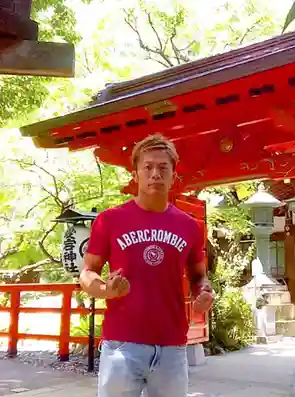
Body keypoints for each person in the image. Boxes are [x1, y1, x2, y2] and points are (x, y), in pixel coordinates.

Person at [79, 134, 213, 397]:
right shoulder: (110, 220)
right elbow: (87, 273)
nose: (155, 174)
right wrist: (106, 289)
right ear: (136, 174)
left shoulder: (189, 226)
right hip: (122, 344)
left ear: (173, 175)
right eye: (148, 167)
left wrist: (204, 293)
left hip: (172, 346)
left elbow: (199, 276)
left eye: (163, 168)